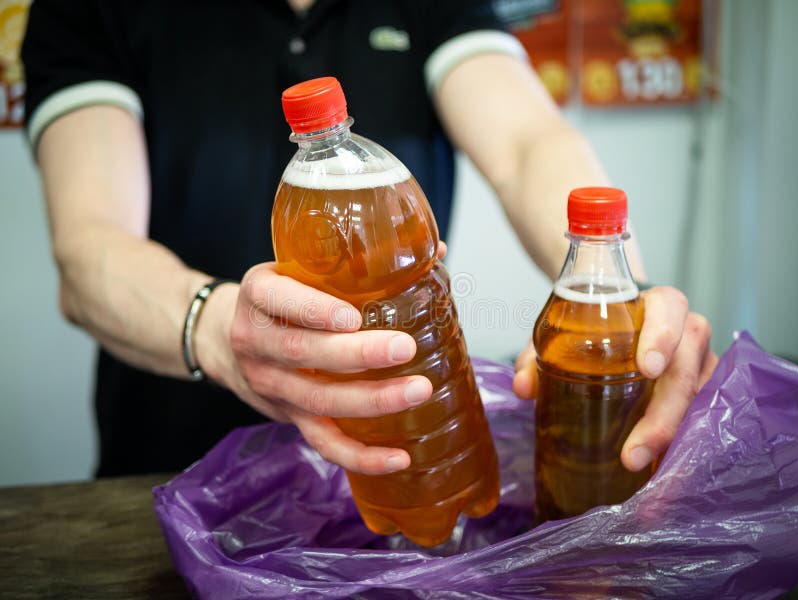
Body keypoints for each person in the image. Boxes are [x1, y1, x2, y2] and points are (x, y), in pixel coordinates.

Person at [22, 0, 716, 478]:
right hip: (172, 472)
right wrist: (219, 330)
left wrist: (621, 293)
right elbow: (89, 248)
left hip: (411, 453)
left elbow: (528, 145)